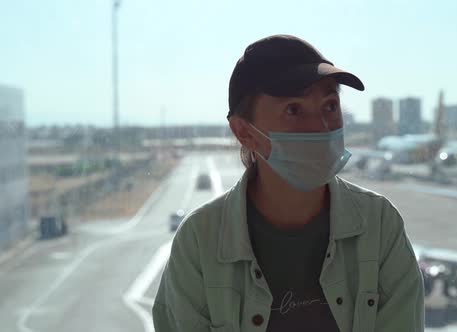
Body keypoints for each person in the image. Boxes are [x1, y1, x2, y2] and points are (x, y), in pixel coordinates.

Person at [152, 34, 424, 332]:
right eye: (293, 110)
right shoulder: (199, 242)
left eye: (330, 106)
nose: (320, 127)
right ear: (245, 132)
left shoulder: (380, 225)